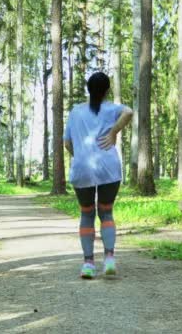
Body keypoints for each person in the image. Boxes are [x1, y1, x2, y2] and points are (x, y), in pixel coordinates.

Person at [63, 72, 133, 279]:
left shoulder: (75, 112)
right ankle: (109, 258)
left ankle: (88, 264)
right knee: (106, 212)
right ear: (107, 90)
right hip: (109, 168)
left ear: (88, 89)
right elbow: (129, 112)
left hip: (82, 169)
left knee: (86, 213)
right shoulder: (112, 108)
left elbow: (67, 143)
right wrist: (113, 132)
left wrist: (81, 157)